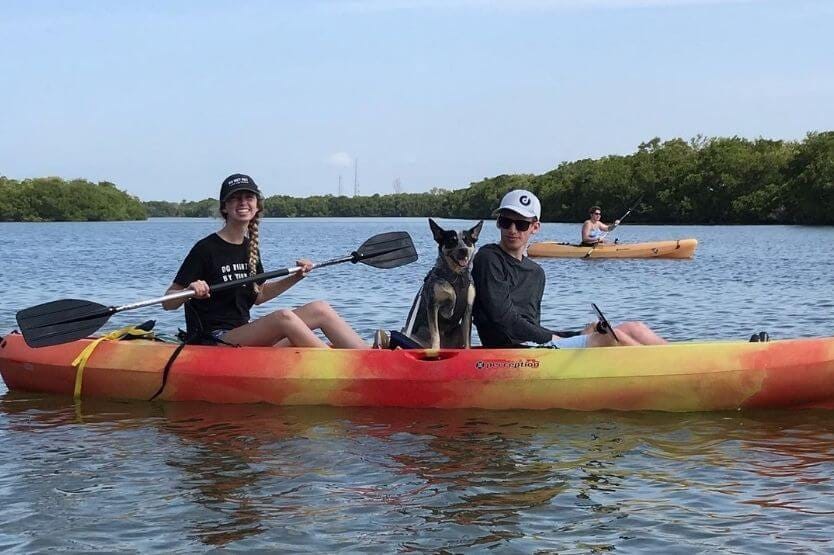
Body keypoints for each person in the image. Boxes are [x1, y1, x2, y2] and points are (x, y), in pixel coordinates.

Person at [162, 173, 368, 349]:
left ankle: (371, 357)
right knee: (283, 318)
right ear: (225, 207)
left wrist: (295, 277)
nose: (243, 202)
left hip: (244, 335)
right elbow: (168, 303)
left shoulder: (249, 247)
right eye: (236, 198)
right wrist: (189, 290)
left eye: (249, 197)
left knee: (320, 308)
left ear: (257, 205)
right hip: (214, 339)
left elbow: (258, 295)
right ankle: (339, 368)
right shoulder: (205, 249)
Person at [471, 190, 667, 348]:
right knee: (608, 339)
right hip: (506, 352)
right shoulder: (488, 258)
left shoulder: (536, 272)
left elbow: (531, 326)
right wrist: (554, 338)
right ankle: (667, 376)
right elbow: (503, 319)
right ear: (498, 223)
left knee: (634, 328)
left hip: (534, 346)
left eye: (521, 224)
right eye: (506, 222)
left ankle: (685, 365)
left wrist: (573, 335)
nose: (512, 230)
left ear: (535, 227)